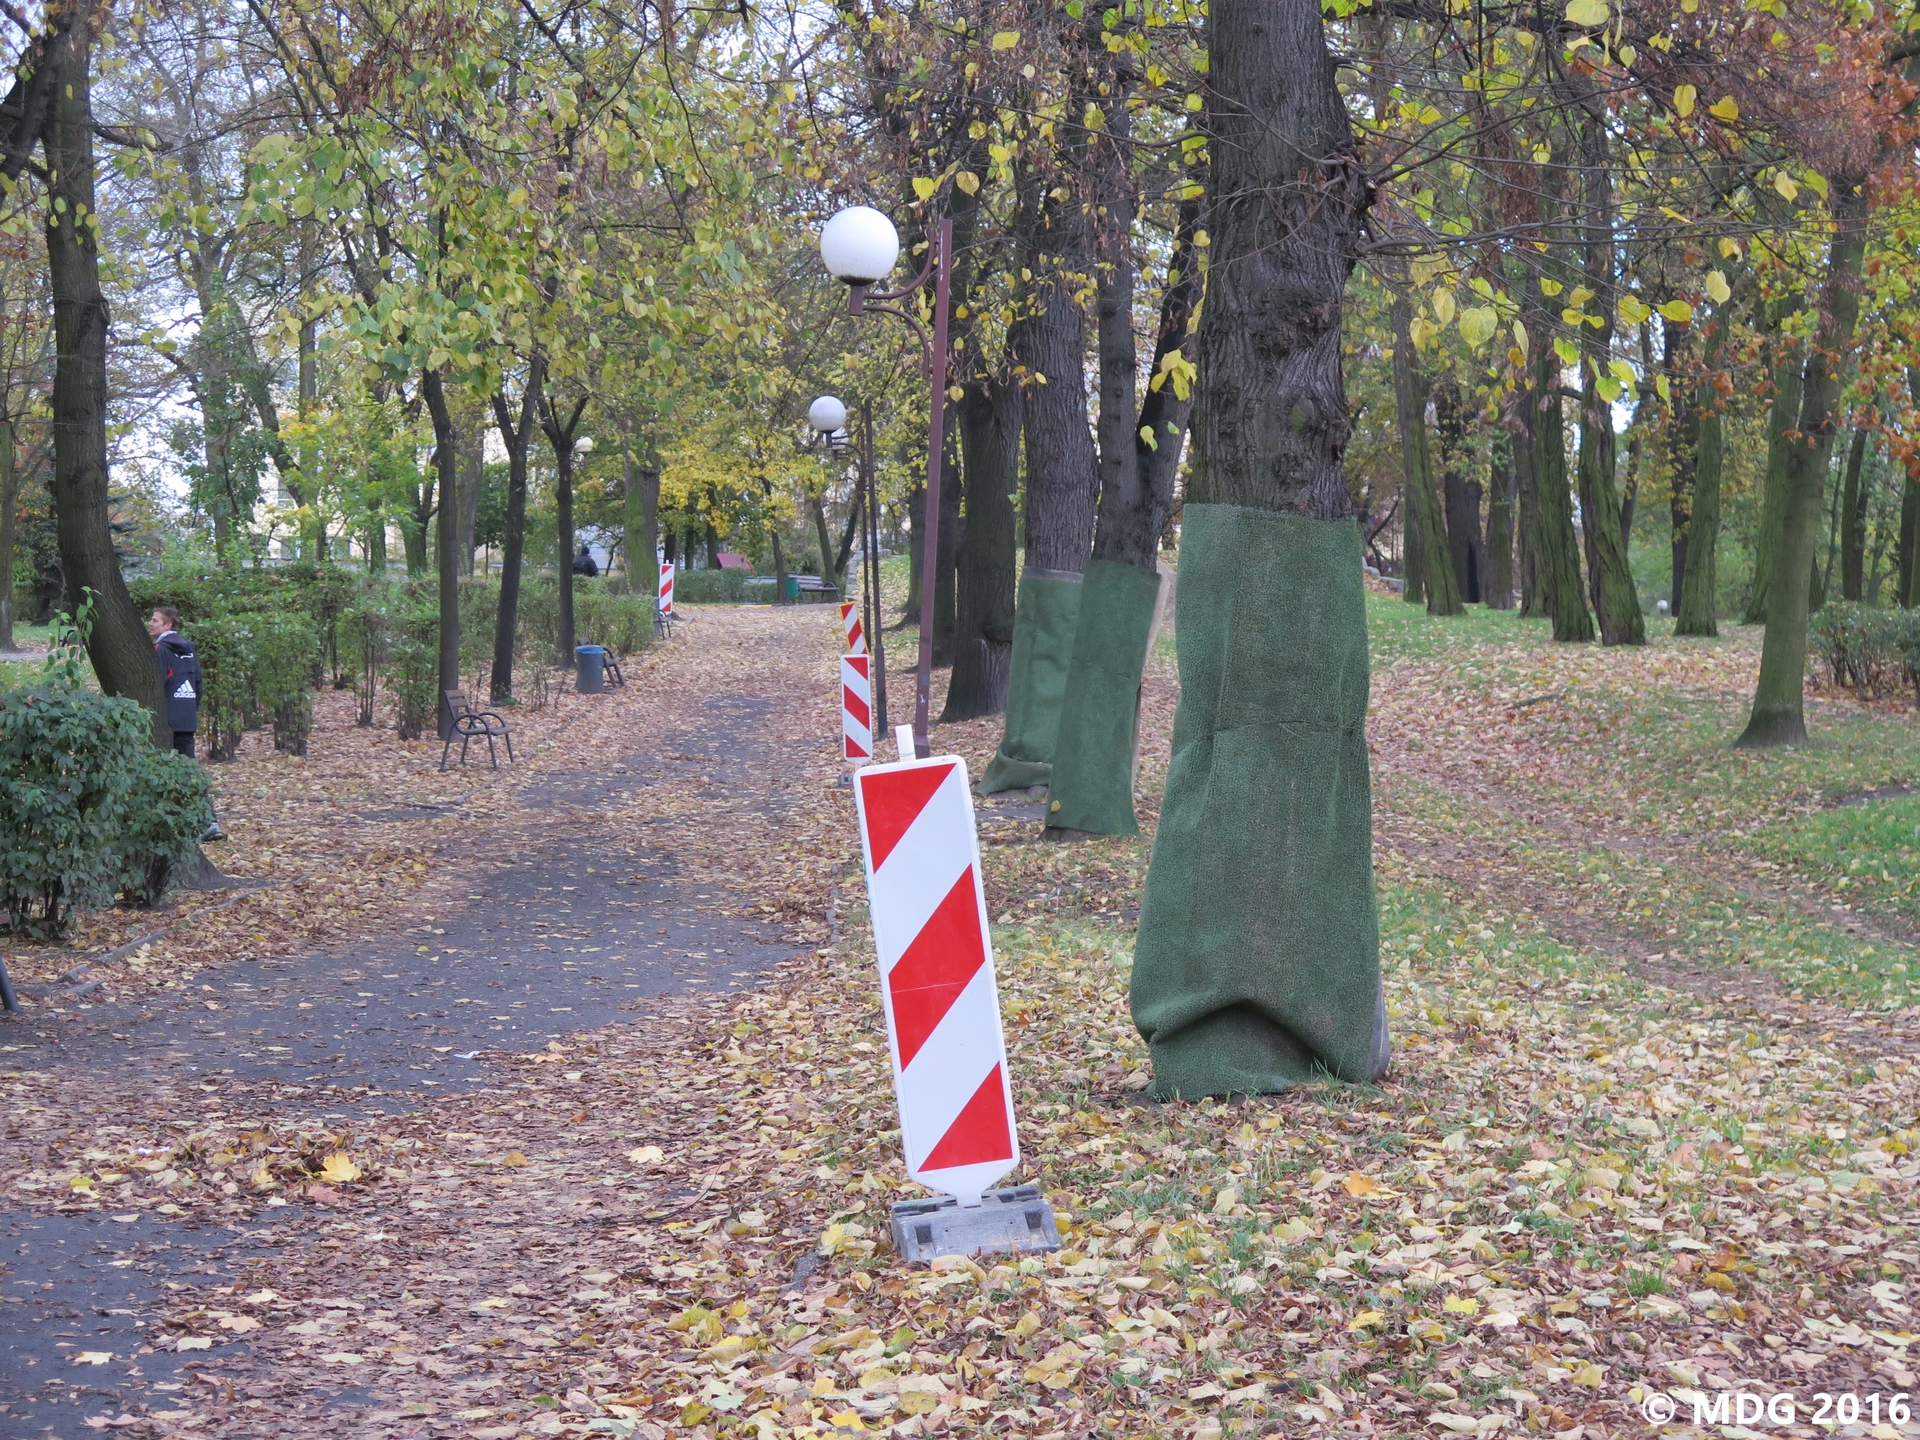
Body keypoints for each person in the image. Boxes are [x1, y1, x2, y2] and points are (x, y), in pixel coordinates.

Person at [149, 607, 223, 842]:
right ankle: (208, 821)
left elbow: (157, 684)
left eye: (155, 620)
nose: (149, 623)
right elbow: (198, 685)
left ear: (168, 626)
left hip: (167, 720)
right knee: (189, 772)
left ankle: (191, 822)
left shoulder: (161, 650)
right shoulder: (189, 651)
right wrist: (189, 710)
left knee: (160, 771)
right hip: (186, 719)